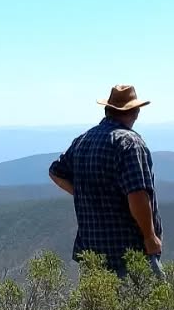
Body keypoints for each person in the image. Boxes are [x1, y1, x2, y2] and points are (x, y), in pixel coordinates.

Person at [48, 83, 163, 278]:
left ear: (108, 109)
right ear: (134, 111)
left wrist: (84, 193)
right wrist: (150, 237)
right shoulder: (130, 143)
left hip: (92, 252)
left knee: (99, 308)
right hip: (128, 253)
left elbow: (56, 172)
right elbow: (137, 194)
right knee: (143, 306)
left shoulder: (84, 139)